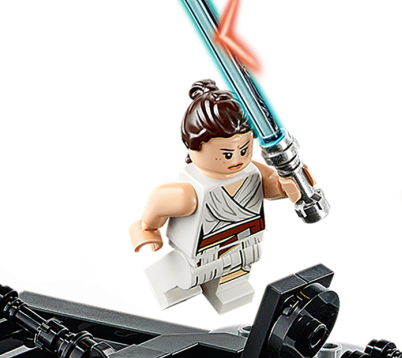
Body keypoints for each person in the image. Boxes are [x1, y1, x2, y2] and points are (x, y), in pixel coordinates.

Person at [128, 79, 304, 316]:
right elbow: (159, 201)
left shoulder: (254, 171)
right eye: (227, 154)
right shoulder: (189, 193)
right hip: (195, 254)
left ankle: (226, 287)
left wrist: (292, 182)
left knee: (234, 282)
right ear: (194, 146)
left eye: (244, 149)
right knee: (182, 281)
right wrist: (147, 229)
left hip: (244, 244)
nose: (237, 160)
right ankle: (174, 285)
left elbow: (274, 184)